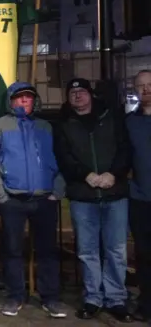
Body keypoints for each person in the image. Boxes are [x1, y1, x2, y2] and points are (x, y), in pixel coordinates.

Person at [0, 81, 66, 318]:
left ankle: (50, 298)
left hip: (44, 199)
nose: (24, 101)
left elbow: (60, 159)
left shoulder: (46, 127)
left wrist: (56, 191)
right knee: (13, 250)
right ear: (11, 101)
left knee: (48, 251)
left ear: (34, 100)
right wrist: (1, 195)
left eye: (28, 97)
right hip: (13, 200)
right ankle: (15, 296)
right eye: (19, 98)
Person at [53, 78, 132, 322]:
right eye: (72, 92)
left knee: (116, 250)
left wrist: (113, 174)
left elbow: (125, 150)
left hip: (114, 193)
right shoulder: (64, 124)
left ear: (90, 95)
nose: (77, 96)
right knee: (87, 251)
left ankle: (116, 298)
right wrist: (86, 175)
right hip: (82, 196)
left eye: (82, 91)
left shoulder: (112, 117)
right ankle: (93, 298)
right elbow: (64, 157)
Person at [126, 70, 151, 322]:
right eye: (140, 86)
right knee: (144, 256)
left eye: (150, 85)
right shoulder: (130, 123)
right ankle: (146, 304)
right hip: (141, 200)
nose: (146, 90)